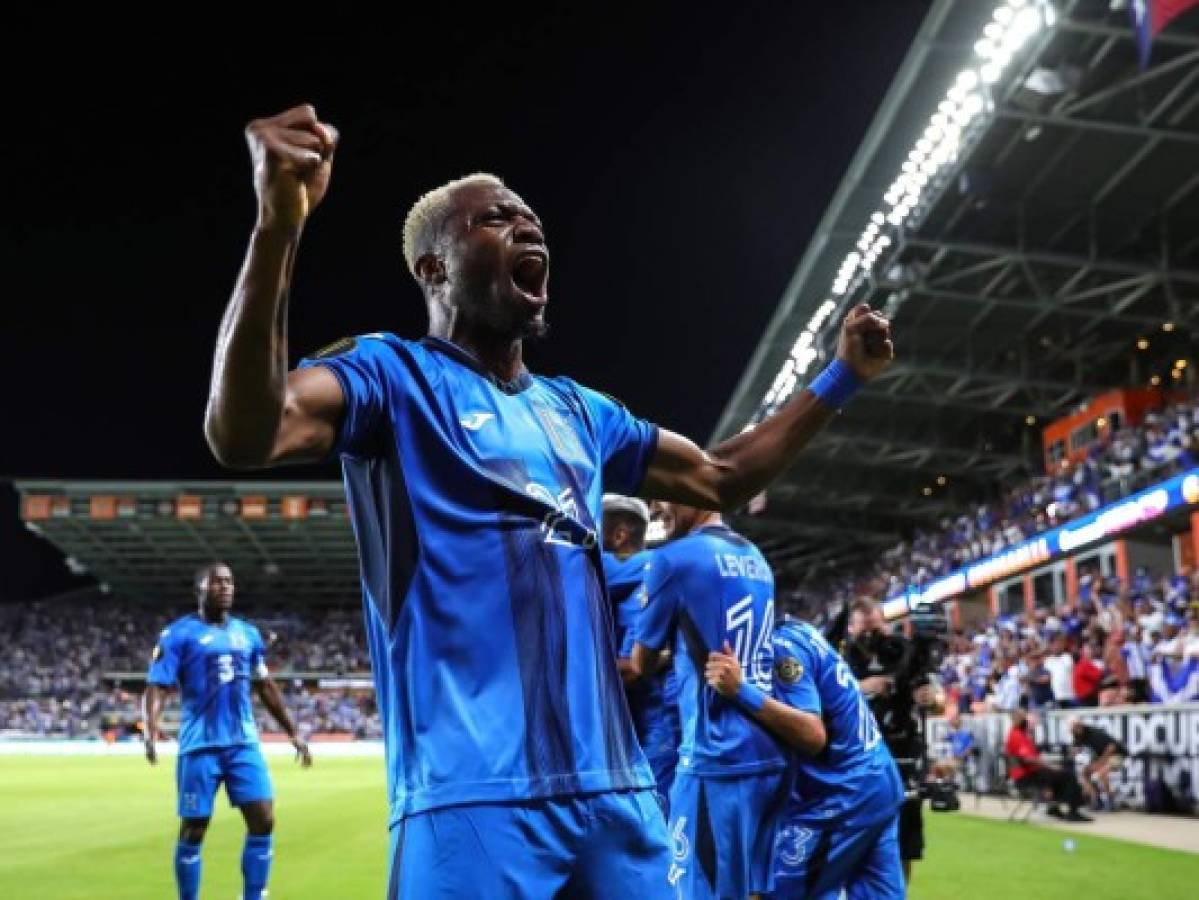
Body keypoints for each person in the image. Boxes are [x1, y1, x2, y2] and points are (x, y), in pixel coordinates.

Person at [203, 105, 894, 896]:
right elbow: (246, 433)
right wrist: (277, 226)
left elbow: (721, 475)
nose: (527, 227)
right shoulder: (389, 377)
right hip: (472, 800)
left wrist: (838, 378)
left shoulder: (581, 412)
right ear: (433, 268)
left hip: (616, 797)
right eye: (495, 219)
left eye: (531, 217)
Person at [631, 502, 788, 899]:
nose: (656, 511)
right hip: (767, 754)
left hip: (715, 757)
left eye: (664, 499)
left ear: (694, 495)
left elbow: (640, 662)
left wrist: (667, 653)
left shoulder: (672, 559)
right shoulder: (757, 559)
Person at [142, 563, 312, 900]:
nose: (226, 588)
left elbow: (265, 686)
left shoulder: (248, 634)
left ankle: (253, 895)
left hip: (242, 743)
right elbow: (157, 687)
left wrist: (293, 732)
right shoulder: (178, 634)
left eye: (230, 582)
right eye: (217, 582)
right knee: (194, 827)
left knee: (263, 818)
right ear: (200, 590)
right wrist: (150, 729)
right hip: (200, 746)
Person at [705, 613, 904, 899]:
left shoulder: (779, 646)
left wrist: (741, 691)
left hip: (844, 795)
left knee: (773, 892)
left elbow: (812, 735)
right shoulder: (802, 629)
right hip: (879, 781)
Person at [602, 494, 679, 813]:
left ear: (619, 535)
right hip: (641, 725)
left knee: (655, 814)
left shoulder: (643, 583)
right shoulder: (627, 587)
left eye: (596, 530)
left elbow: (635, 669)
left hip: (657, 725)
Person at [843, 599, 930, 884]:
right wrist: (862, 687)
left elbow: (929, 692)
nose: (871, 636)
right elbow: (823, 698)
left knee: (906, 841)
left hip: (902, 751)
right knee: (857, 839)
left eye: (876, 627)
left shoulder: (903, 653)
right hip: (857, 757)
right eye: (863, 628)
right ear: (852, 628)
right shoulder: (838, 659)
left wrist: (932, 698)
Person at [1003, 710, 1091, 822]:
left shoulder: (1016, 733)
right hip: (1027, 776)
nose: (1026, 721)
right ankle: (1073, 812)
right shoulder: (1017, 735)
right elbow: (1029, 759)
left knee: (1059, 775)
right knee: (1068, 776)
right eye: (1024, 718)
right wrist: (1050, 766)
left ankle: (1053, 807)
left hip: (1027, 773)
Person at [1067, 718, 1127, 810]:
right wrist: (1074, 751)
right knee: (1085, 772)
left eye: (1073, 728)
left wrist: (1100, 762)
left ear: (1079, 726)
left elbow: (1112, 747)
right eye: (1071, 729)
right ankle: (1096, 799)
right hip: (1101, 758)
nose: (1072, 731)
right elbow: (1074, 750)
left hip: (1117, 755)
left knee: (1102, 772)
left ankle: (1111, 800)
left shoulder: (1094, 733)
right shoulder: (1077, 736)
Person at [1043, 634, 1075, 707]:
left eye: (1058, 644)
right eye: (1054, 645)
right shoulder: (1047, 661)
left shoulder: (1068, 657)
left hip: (1069, 694)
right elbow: (1047, 677)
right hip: (1055, 695)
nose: (1056, 647)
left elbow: (1073, 673)